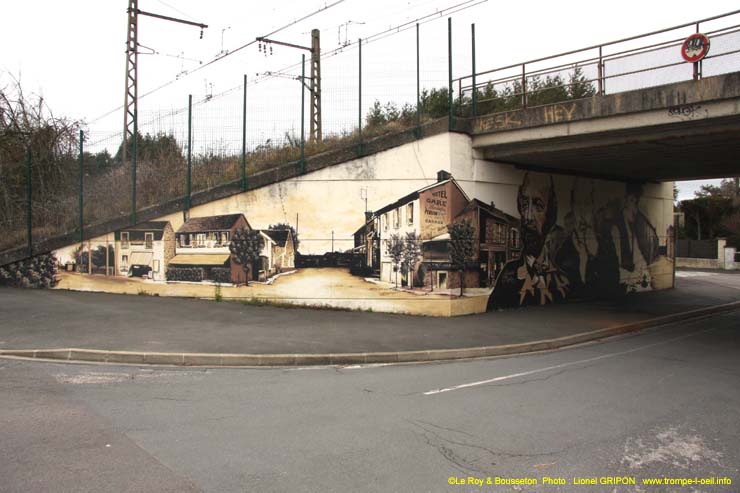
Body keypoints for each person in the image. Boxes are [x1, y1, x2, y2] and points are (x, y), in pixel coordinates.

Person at [487, 173, 568, 310]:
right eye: (524, 205)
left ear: (551, 215)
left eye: (539, 206)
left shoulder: (563, 276)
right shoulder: (509, 275)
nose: (528, 216)